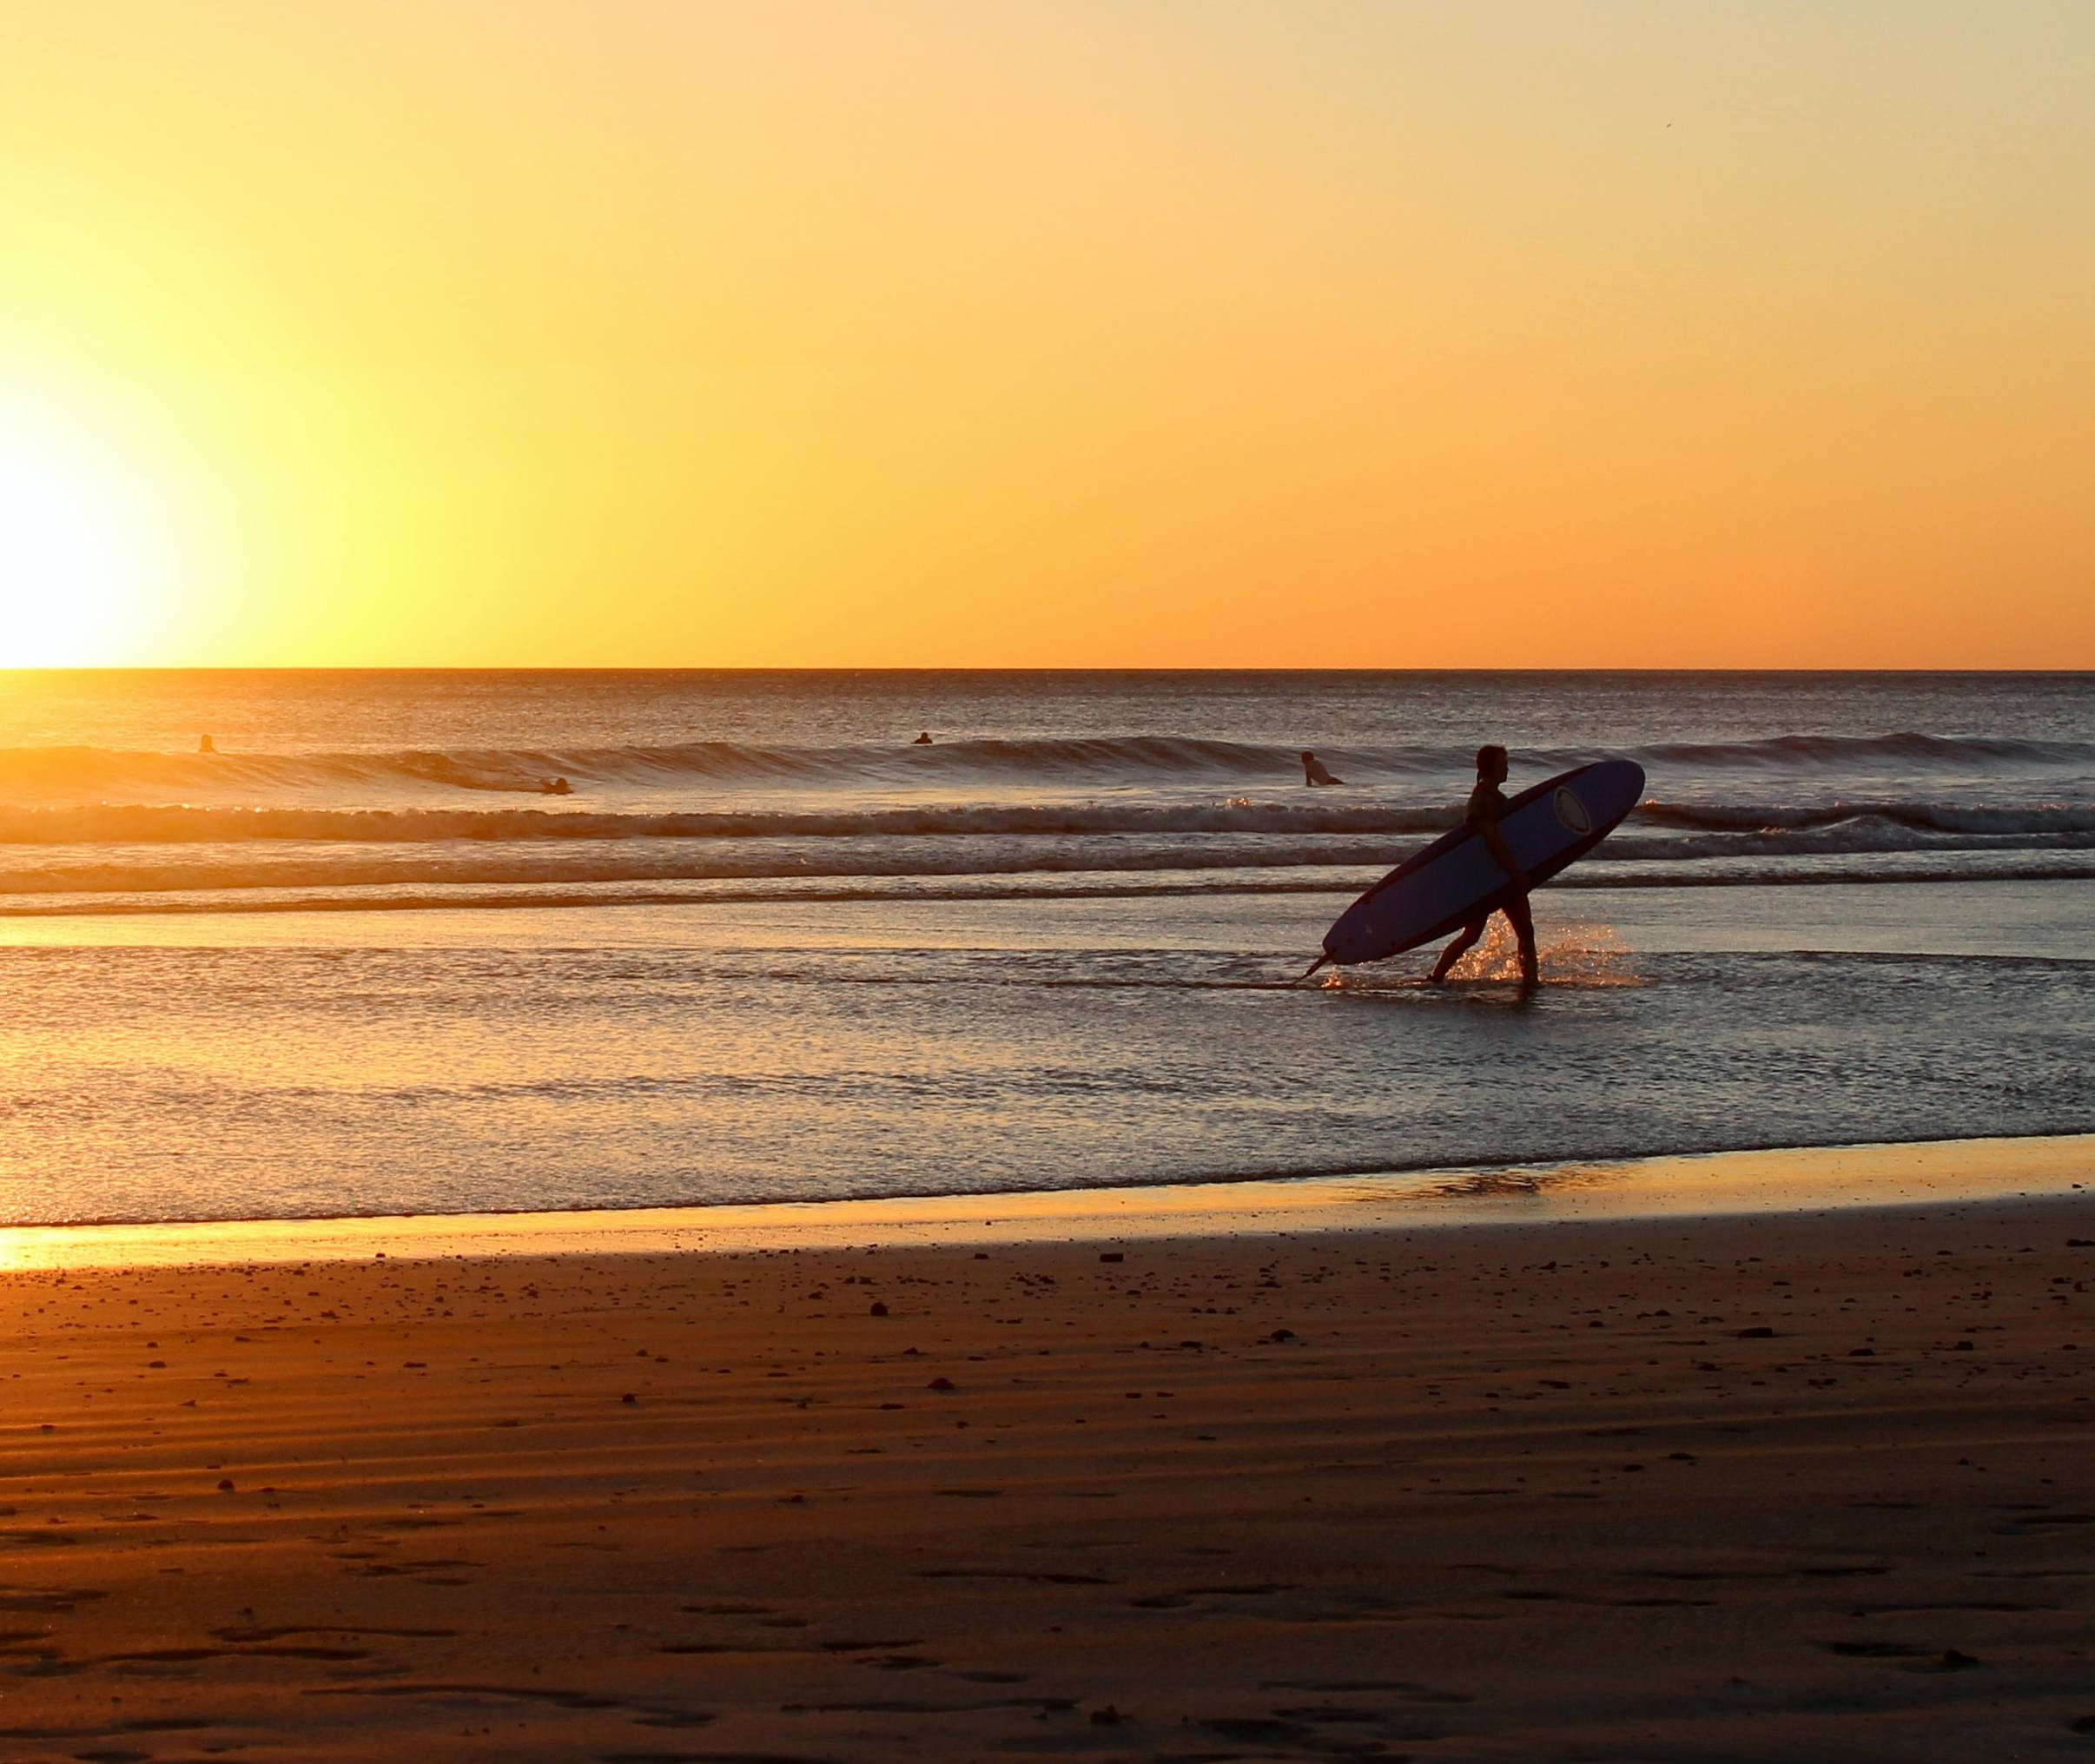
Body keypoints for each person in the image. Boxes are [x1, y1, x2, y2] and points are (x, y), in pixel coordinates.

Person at [1429, 743, 1538, 987]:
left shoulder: (1494, 797)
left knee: (1511, 933)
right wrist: (1515, 873)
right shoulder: (1482, 801)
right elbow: (1494, 842)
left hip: (1491, 875)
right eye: (1502, 765)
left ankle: (1436, 977)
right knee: (1480, 934)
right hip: (1491, 877)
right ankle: (1436, 976)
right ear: (1491, 768)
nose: (1507, 769)